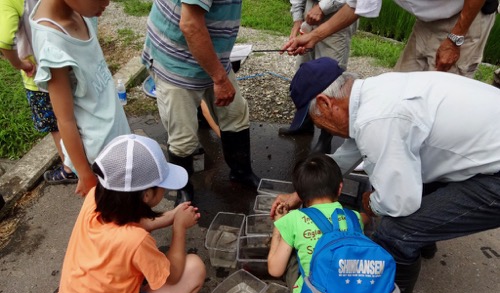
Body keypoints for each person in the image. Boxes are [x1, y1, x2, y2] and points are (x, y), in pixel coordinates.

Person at [271, 57, 500, 293]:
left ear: (325, 103)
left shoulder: (377, 120)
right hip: (483, 146)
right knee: (411, 176)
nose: (322, 128)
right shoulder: (372, 93)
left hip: (494, 175)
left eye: (316, 120)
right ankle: (426, 239)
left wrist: (372, 203)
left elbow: (400, 202)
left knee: (395, 230)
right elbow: (346, 155)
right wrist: (299, 193)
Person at [54, 134, 206, 293]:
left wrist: (169, 217)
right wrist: (179, 228)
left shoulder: (96, 198)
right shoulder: (135, 241)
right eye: (161, 186)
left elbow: (133, 222)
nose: (164, 190)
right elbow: (174, 275)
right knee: (194, 267)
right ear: (146, 195)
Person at [142, 0, 260, 207]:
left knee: (235, 114)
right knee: (183, 136)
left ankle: (241, 173)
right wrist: (220, 80)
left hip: (212, 56)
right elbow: (190, 25)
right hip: (177, 61)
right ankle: (184, 190)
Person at [29, 0, 131, 197]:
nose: (108, 2)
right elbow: (64, 119)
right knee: (120, 213)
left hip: (115, 131)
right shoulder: (52, 42)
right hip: (101, 156)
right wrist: (85, 174)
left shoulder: (78, 9)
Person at [281, 0, 497, 78]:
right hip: (428, 18)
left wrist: (455, 39)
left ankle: (434, 174)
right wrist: (313, 38)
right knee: (400, 84)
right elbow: (356, 5)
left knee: (441, 94)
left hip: (467, 17)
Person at [268, 152, 367, 293]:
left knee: (291, 251)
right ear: (340, 188)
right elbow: (364, 218)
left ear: (300, 195)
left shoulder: (293, 220)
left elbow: (275, 270)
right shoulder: (355, 218)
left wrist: (279, 226)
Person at [0, 0, 77, 184]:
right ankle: (89, 159)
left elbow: (4, 39)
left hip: (39, 78)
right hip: (68, 65)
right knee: (75, 117)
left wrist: (20, 64)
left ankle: (70, 168)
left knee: (56, 125)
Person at [279, 0, 357, 143]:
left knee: (330, 80)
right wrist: (297, 19)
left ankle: (326, 137)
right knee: (307, 72)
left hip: (339, 13)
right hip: (310, 13)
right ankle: (305, 122)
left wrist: (323, 7)